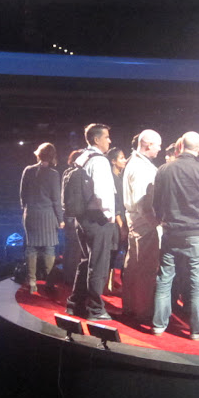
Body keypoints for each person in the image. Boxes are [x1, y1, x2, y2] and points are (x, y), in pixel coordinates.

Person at [151, 132, 199, 340]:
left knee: (164, 279)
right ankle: (198, 329)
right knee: (197, 283)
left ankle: (158, 325)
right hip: (197, 233)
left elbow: (156, 202)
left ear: (180, 146)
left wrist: (163, 221)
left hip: (171, 231)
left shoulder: (164, 170)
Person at [66, 123, 116, 321]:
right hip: (97, 218)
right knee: (98, 264)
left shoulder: (82, 157)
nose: (109, 141)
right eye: (106, 137)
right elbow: (101, 193)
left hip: (82, 217)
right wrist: (109, 215)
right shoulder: (100, 161)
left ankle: (75, 303)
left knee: (87, 261)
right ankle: (95, 309)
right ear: (96, 139)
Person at [122, 129, 162, 321]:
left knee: (134, 264)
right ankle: (142, 310)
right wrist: (156, 224)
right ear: (148, 145)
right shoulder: (140, 167)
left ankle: (131, 306)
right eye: (158, 145)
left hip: (136, 220)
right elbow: (142, 203)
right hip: (143, 223)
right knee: (144, 268)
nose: (160, 149)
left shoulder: (135, 163)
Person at [20, 142, 65, 294]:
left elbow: (22, 195)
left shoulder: (28, 170)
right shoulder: (53, 174)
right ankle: (49, 283)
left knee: (31, 248)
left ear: (38, 154)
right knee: (49, 248)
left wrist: (26, 211)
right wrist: (60, 219)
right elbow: (56, 200)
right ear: (52, 156)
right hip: (47, 215)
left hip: (31, 214)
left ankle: (32, 282)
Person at [62, 149, 86, 285]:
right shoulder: (77, 173)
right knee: (76, 248)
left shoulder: (67, 172)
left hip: (68, 214)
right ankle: (72, 278)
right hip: (75, 214)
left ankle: (67, 275)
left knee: (70, 247)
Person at [106, 147, 128, 295]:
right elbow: (115, 204)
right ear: (113, 161)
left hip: (122, 221)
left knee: (116, 253)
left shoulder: (121, 177)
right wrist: (121, 225)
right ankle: (107, 286)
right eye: (121, 158)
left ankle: (111, 285)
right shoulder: (111, 179)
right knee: (112, 252)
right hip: (116, 222)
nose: (124, 160)